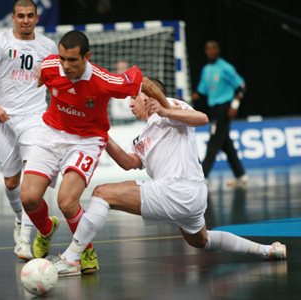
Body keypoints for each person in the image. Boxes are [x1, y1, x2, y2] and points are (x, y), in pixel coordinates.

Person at [52, 78, 287, 276]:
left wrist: (164, 109)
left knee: (102, 193)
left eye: (133, 98)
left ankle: (72, 257)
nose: (130, 103)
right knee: (200, 240)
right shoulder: (144, 133)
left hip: (177, 190)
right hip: (193, 198)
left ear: (148, 96)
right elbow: (128, 162)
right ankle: (268, 250)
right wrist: (102, 134)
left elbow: (202, 118)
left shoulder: (171, 107)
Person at [20, 30, 170, 274]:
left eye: (72, 60)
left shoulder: (104, 80)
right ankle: (47, 229)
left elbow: (145, 83)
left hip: (86, 140)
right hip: (51, 134)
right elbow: (42, 75)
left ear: (86, 57)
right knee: (27, 198)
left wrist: (168, 108)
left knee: (67, 202)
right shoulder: (50, 66)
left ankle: (84, 251)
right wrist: (40, 76)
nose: (65, 66)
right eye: (62, 59)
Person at [0, 0, 58, 260]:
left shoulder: (48, 46)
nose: (25, 20)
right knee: (11, 182)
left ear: (37, 17)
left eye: (30, 15)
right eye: (20, 16)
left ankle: (24, 241)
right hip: (4, 119)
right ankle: (21, 218)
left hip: (34, 118)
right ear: (12, 18)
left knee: (31, 181)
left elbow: (56, 82)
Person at [192, 40, 247, 186]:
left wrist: (235, 105)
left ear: (218, 50)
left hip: (225, 107)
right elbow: (202, 91)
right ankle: (240, 175)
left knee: (214, 141)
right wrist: (186, 97)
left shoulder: (225, 67)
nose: (210, 52)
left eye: (213, 49)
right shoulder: (206, 69)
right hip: (214, 109)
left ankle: (202, 177)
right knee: (225, 143)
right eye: (207, 49)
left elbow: (241, 86)